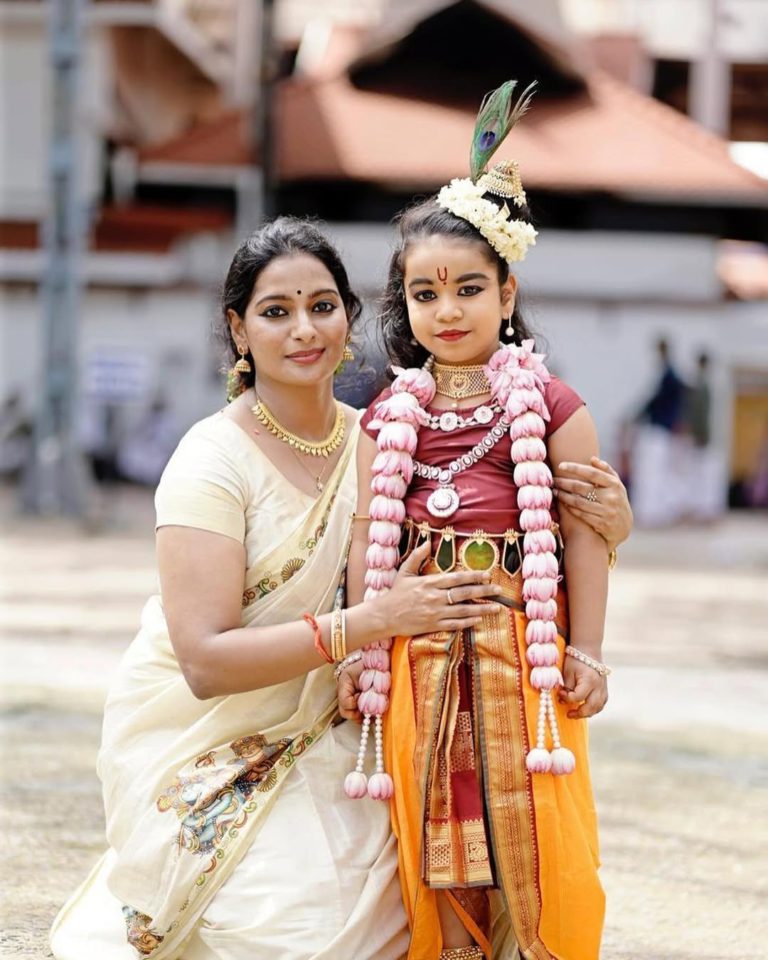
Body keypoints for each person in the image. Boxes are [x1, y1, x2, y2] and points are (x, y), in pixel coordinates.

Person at [50, 217, 632, 960]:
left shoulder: (390, 431)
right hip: (228, 734)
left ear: (350, 320)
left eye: (322, 306)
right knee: (308, 934)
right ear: (237, 330)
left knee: (463, 860)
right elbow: (203, 662)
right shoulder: (212, 460)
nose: (303, 330)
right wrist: (368, 628)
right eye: (274, 311)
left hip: (362, 724)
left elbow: (526, 539)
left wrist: (613, 525)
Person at [345, 82, 613, 960]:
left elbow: (586, 534)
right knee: (433, 821)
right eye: (425, 294)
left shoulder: (553, 404)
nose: (447, 310)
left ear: (507, 291)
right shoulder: (388, 414)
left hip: (523, 643)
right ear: (406, 306)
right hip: (416, 651)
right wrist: (357, 652)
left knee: (532, 826)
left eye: (467, 288)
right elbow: (363, 541)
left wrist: (587, 650)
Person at [631, 337, 687, 526]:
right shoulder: (668, 375)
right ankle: (656, 510)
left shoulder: (669, 377)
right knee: (658, 470)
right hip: (662, 428)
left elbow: (654, 401)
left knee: (654, 470)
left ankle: (654, 511)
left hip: (660, 428)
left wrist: (637, 416)